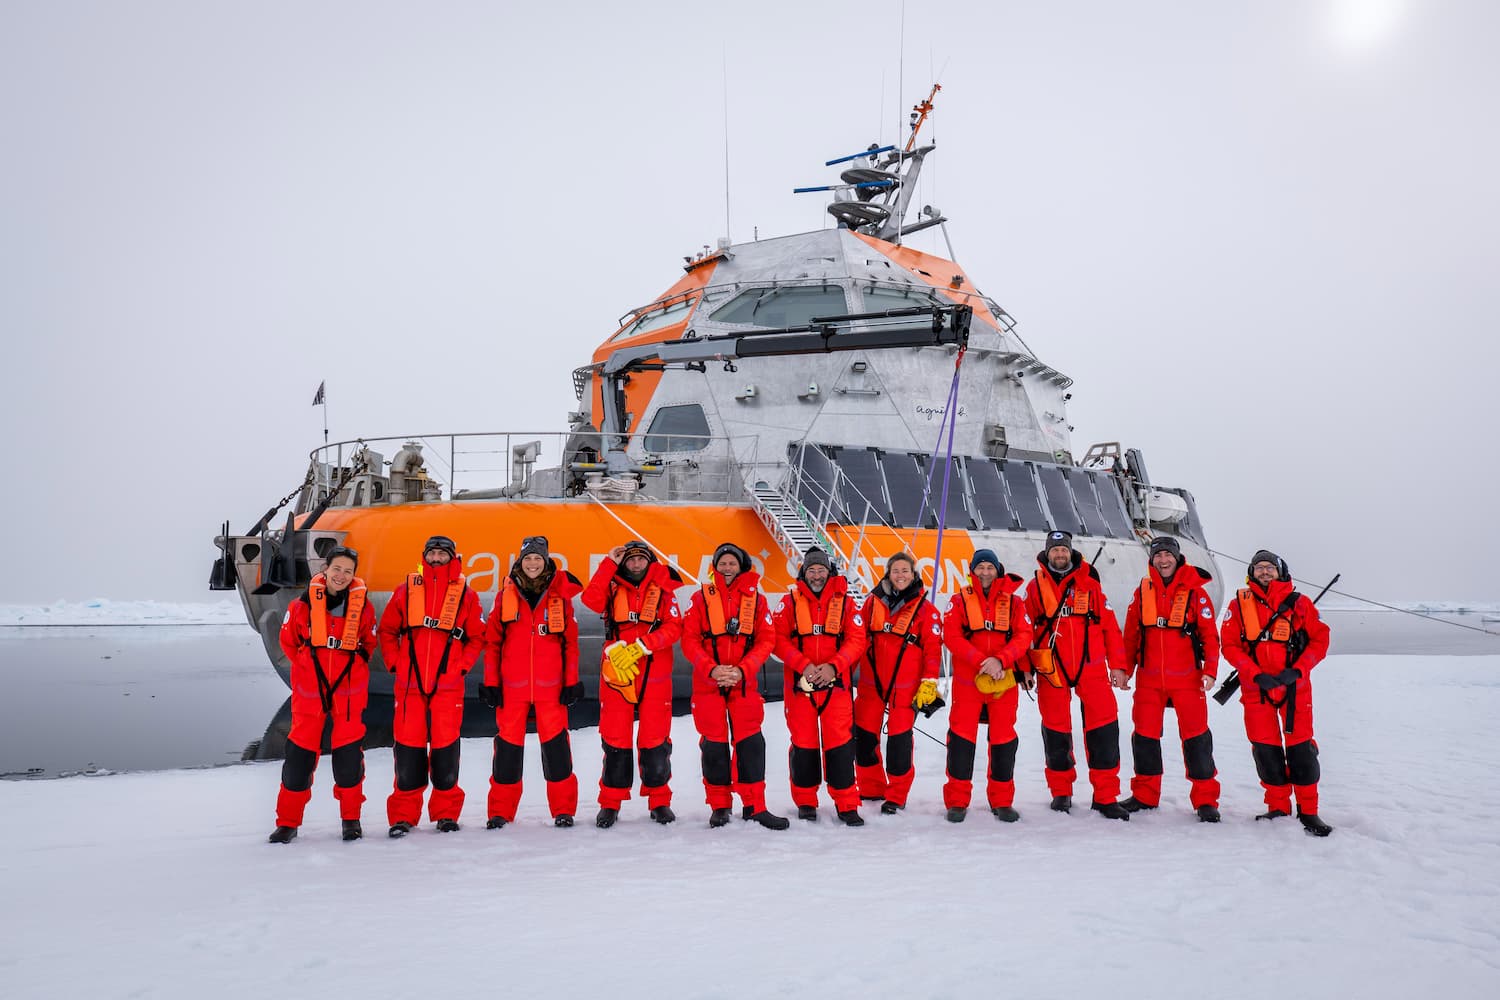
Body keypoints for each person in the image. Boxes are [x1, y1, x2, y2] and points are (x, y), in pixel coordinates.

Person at [376, 535, 485, 837]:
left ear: (452, 557)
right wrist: (396, 663)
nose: (437, 558)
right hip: (410, 685)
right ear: (425, 556)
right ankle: (403, 817)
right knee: (408, 754)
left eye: (442, 553)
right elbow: (386, 631)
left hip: (447, 686)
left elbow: (477, 637)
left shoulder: (466, 595)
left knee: (445, 752)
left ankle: (446, 815)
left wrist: (461, 667)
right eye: (432, 553)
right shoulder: (406, 591)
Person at [1220, 549, 1333, 836]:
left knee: (1301, 751)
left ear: (1280, 571)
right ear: (1251, 573)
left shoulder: (1301, 604)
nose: (1265, 572)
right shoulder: (1238, 604)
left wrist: (1297, 670)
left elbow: (1320, 639)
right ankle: (1278, 807)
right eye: (1259, 568)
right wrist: (1254, 673)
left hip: (1294, 689)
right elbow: (1229, 645)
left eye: (1270, 567)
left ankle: (1309, 811)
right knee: (1265, 751)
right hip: (1256, 690)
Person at [269, 546, 376, 843]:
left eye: (348, 571)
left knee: (349, 761)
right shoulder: (301, 607)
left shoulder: (363, 608)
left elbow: (368, 643)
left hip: (349, 696)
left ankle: (350, 820)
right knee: (298, 761)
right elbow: (289, 643)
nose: (341, 576)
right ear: (325, 569)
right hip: (310, 695)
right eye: (337, 569)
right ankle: (288, 823)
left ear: (354, 575)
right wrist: (307, 668)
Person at [1023, 530, 1131, 820]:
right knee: (1056, 731)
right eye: (1055, 550)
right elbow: (1024, 631)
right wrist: (1025, 669)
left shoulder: (1091, 586)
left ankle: (1106, 796)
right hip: (1051, 669)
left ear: (1071, 552)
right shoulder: (1034, 589)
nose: (1060, 554)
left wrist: (1118, 665)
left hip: (1091, 668)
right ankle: (1061, 791)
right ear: (1047, 554)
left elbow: (1110, 627)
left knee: (1103, 731)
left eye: (1064, 550)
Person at [479, 535, 585, 829]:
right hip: (513, 689)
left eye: (538, 558)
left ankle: (563, 810)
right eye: (528, 559)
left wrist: (571, 682)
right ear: (520, 563)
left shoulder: (560, 598)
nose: (533, 564)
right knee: (507, 753)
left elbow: (570, 644)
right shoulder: (505, 597)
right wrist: (491, 683)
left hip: (550, 688)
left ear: (546, 561)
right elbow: (493, 644)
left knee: (557, 751)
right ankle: (500, 811)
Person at [682, 542, 788, 830]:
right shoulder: (700, 598)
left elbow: (767, 640)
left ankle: (755, 806)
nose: (727, 568)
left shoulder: (757, 600)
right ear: (715, 566)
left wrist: (742, 670)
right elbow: (689, 640)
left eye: (732, 563)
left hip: (743, 684)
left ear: (742, 566)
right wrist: (712, 669)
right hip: (709, 684)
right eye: (722, 563)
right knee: (714, 746)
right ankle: (719, 806)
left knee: (751, 744)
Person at [1118, 536, 1223, 822]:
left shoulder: (1196, 593)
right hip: (1149, 678)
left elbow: (1209, 637)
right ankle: (1145, 795)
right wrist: (1124, 669)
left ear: (1177, 558)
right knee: (1145, 737)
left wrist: (1210, 670)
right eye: (1158, 556)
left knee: (1197, 739)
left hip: (1187, 678)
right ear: (1151, 560)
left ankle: (1205, 800)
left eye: (1168, 555)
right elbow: (1130, 635)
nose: (1163, 560)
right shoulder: (1142, 592)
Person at [580, 539, 683, 828]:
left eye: (641, 560)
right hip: (617, 673)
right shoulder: (611, 587)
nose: (636, 564)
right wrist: (608, 564)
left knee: (656, 739)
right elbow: (590, 600)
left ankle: (660, 800)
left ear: (650, 562)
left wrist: (643, 646)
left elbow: (674, 627)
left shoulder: (664, 591)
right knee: (615, 739)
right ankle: (610, 803)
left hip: (654, 672)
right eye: (630, 560)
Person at [773, 548, 870, 826]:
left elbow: (857, 640)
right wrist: (803, 664)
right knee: (804, 744)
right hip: (800, 686)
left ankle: (846, 803)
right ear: (804, 573)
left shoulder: (846, 604)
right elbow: (777, 639)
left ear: (830, 573)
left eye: (821, 570)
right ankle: (805, 801)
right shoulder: (789, 603)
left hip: (835, 686)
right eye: (812, 571)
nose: (817, 575)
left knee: (840, 744)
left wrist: (833, 666)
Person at [941, 549, 1034, 823]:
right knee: (961, 739)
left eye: (989, 567)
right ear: (972, 571)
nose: (985, 572)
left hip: (1003, 682)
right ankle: (957, 801)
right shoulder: (958, 601)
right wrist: (983, 661)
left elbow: (1024, 635)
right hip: (969, 681)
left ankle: (1002, 801)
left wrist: (1001, 660)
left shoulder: (1015, 604)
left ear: (998, 570)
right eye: (980, 567)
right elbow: (952, 636)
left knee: (1004, 739)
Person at [854, 552, 943, 815]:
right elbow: (856, 639)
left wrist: (929, 682)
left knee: (899, 742)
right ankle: (871, 787)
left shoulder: (927, 610)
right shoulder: (871, 604)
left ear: (914, 574)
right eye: (896, 571)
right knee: (864, 737)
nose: (900, 575)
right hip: (872, 686)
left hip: (905, 688)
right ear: (888, 574)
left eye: (905, 571)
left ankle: (897, 794)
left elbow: (933, 650)